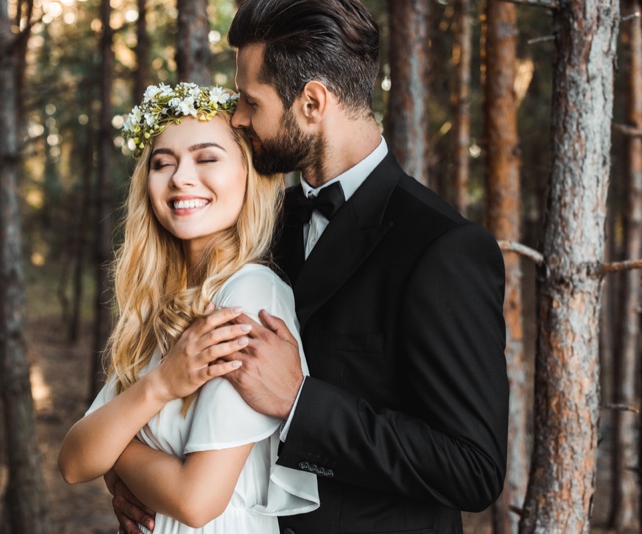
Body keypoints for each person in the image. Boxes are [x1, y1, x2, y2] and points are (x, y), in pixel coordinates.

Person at [110, 1, 509, 533]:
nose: (238, 119)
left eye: (251, 102)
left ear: (312, 102)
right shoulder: (258, 228)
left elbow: (474, 469)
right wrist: (130, 473)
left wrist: (301, 402)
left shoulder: (441, 248)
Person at [57, 82, 319, 534]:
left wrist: (118, 449)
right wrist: (159, 385)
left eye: (206, 158)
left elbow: (197, 500)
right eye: (163, 163)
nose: (180, 177)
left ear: (248, 173)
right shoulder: (156, 308)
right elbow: (75, 460)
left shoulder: (250, 295)